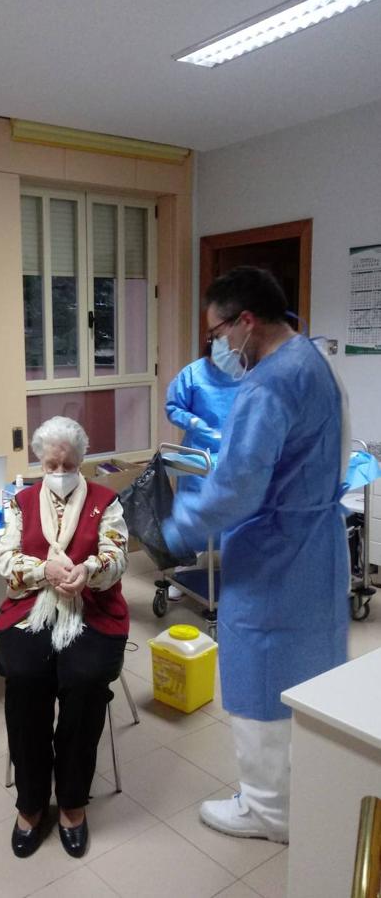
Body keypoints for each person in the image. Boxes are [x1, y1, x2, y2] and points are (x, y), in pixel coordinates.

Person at [163, 267, 350, 845]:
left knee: (261, 673)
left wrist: (178, 527)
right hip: (317, 546)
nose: (216, 345)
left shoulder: (267, 384)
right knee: (309, 670)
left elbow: (238, 487)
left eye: (217, 331)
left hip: (274, 554)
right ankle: (306, 789)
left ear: (245, 321)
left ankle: (268, 811)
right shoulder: (316, 361)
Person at [0, 416, 129, 859]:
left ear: (81, 461)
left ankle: (72, 801)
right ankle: (32, 802)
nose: (59, 471)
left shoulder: (105, 501)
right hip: (31, 609)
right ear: (39, 462)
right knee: (25, 677)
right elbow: (7, 560)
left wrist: (88, 570)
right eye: (50, 464)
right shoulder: (21, 501)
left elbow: (116, 554)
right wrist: (42, 570)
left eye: (67, 463)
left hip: (92, 610)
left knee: (87, 681)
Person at [165, 340, 240, 495]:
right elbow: (173, 408)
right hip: (199, 455)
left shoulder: (246, 375)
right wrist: (192, 421)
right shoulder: (193, 374)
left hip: (235, 455)